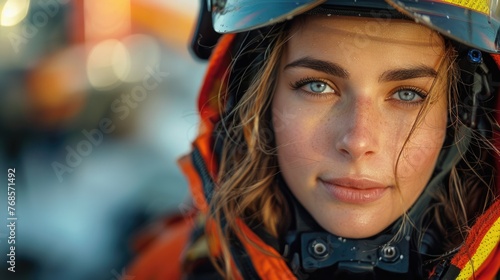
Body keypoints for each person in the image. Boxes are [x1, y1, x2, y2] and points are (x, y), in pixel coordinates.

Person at [128, 0, 500, 279]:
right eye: (317, 86)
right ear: (255, 101)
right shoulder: (167, 268)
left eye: (407, 94)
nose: (357, 142)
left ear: (462, 114)